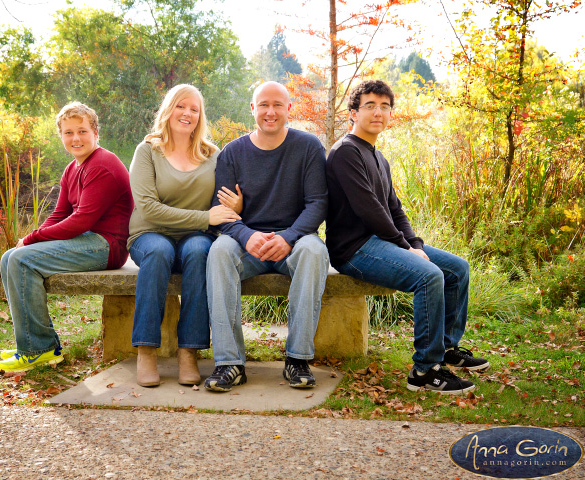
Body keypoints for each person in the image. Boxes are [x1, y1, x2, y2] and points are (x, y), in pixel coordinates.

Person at [325, 79, 489, 395]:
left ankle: (446, 349)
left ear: (391, 115)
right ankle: (425, 371)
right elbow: (369, 210)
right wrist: (405, 247)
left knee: (457, 269)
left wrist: (414, 244)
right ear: (353, 113)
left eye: (385, 106)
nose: (378, 112)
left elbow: (394, 209)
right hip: (354, 250)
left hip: (381, 243)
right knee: (429, 276)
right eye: (370, 105)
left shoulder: (378, 157)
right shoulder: (345, 153)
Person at [204, 81, 329, 392]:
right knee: (218, 252)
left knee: (315, 252)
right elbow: (222, 211)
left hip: (295, 242)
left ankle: (297, 360)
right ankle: (229, 362)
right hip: (248, 245)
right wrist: (246, 236)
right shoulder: (232, 153)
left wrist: (288, 237)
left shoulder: (309, 147)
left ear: (289, 109)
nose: (270, 112)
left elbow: (318, 203)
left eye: (277, 105)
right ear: (252, 109)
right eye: (263, 105)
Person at [0, 102, 134, 373]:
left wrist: (33, 239)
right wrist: (30, 239)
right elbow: (59, 214)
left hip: (107, 245)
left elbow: (81, 220)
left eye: (82, 131)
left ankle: (38, 350)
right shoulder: (73, 169)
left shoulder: (103, 165)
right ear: (61, 136)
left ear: (96, 132)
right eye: (68, 132)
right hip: (87, 240)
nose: (75, 138)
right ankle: (36, 344)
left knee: (22, 260)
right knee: (9, 258)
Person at [128, 84, 243, 387]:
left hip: (195, 236)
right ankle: (146, 350)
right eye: (181, 106)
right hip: (151, 233)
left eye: (194, 109)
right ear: (169, 109)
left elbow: (224, 201)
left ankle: (188, 351)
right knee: (159, 252)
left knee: (198, 252)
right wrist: (205, 217)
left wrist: (235, 205)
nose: (187, 113)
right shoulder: (147, 151)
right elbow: (149, 209)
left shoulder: (212, 154)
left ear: (200, 116)